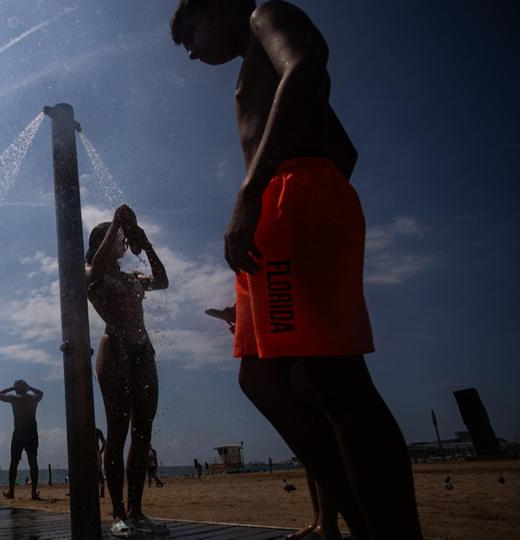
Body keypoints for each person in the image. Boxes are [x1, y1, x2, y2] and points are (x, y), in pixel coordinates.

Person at [171, 2, 422, 537]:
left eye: (190, 33)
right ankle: (362, 521)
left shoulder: (266, 14)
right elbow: (345, 148)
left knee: (333, 377)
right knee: (262, 377)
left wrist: (260, 188)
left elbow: (307, 67)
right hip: (282, 203)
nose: (191, 52)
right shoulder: (252, 63)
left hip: (284, 196)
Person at [207, 306, 341, 540]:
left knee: (316, 427)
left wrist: (246, 313)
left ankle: (329, 523)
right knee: (310, 432)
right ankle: (321, 520)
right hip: (278, 321)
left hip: (292, 321)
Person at [86, 204, 169, 538]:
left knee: (143, 430)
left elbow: (162, 281)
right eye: (117, 238)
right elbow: (97, 267)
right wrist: (117, 222)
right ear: (104, 240)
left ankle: (136, 511)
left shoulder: (131, 278)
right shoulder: (93, 271)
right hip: (116, 350)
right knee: (118, 430)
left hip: (142, 351)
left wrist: (146, 244)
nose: (123, 242)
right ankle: (118, 514)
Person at [0, 380, 43, 500]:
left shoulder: (15, 398)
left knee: (15, 463)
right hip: (31, 432)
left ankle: (12, 491)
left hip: (19, 432)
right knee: (32, 462)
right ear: (26, 389)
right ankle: (32, 493)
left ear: (16, 389)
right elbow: (41, 393)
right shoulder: (32, 398)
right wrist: (29, 387)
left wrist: (12, 388)